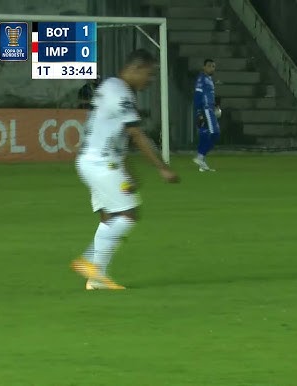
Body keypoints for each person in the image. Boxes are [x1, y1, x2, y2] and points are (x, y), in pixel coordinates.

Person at [71, 49, 180, 290]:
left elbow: (113, 135)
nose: (150, 80)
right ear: (135, 69)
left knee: (109, 216)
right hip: (101, 163)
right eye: (149, 74)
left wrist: (127, 171)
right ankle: (89, 260)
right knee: (128, 214)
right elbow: (136, 134)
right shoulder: (121, 93)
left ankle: (96, 279)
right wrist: (162, 168)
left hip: (93, 160)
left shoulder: (110, 86)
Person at [193, 58, 221, 172]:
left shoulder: (209, 79)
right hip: (205, 110)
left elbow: (209, 96)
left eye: (213, 66)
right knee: (215, 134)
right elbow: (197, 96)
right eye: (209, 66)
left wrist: (215, 106)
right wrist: (199, 112)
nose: (211, 68)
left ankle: (202, 164)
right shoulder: (202, 79)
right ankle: (200, 157)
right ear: (204, 67)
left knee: (204, 135)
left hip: (209, 109)